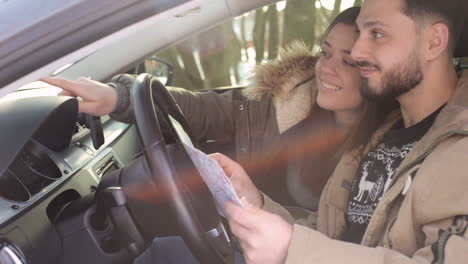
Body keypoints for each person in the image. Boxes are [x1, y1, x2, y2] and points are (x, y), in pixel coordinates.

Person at [213, 0, 468, 263]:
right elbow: (327, 235)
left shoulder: (460, 152)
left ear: (434, 42)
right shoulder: (382, 132)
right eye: (360, 33)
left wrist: (293, 250)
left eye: (377, 34)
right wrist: (257, 204)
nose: (357, 52)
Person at [41, 7, 367, 210]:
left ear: (374, 69)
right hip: (241, 228)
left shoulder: (384, 151)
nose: (326, 68)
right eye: (325, 53)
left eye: (348, 61)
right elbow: (209, 109)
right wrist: (119, 98)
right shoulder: (290, 100)